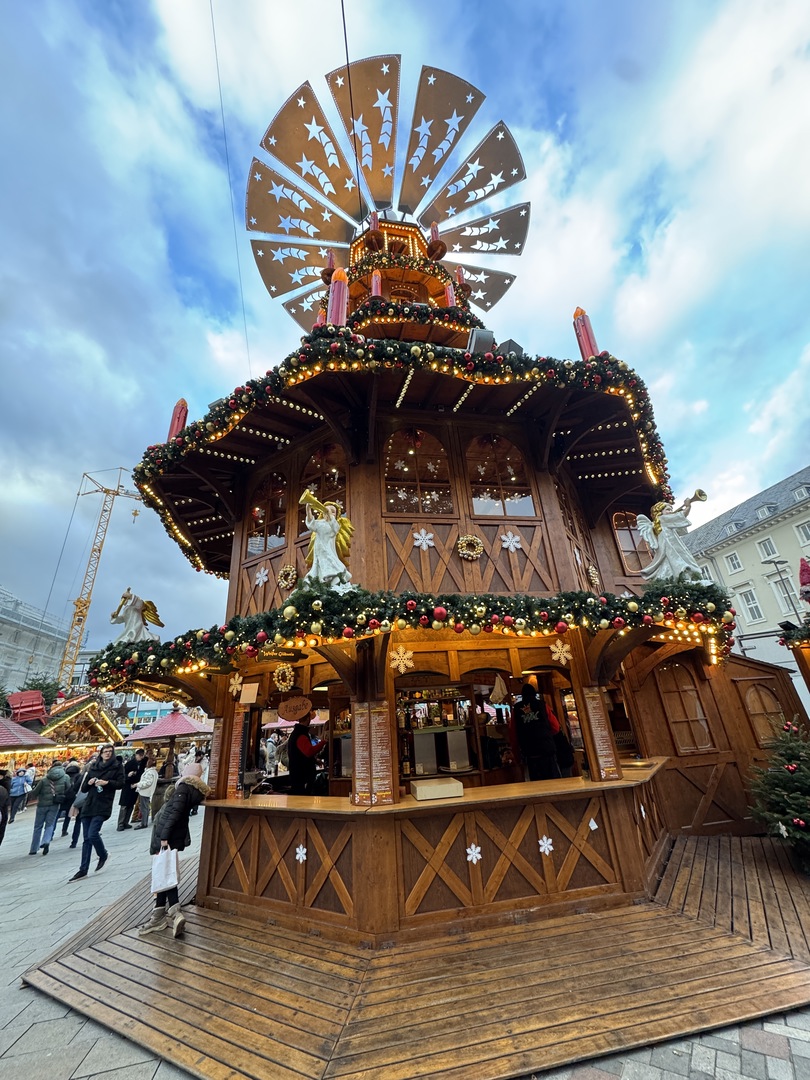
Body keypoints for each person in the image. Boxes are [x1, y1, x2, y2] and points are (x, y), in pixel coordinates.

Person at [138, 774, 211, 938]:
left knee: (163, 875)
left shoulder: (182, 790)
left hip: (165, 838)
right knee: (165, 875)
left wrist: (164, 837)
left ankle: (172, 915)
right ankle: (163, 915)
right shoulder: (190, 793)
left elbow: (173, 814)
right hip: (172, 837)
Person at [69, 744, 124, 881]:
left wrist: (107, 783)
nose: (107, 754)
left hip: (103, 804)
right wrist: (91, 782)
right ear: (101, 753)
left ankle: (103, 855)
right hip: (89, 804)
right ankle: (83, 870)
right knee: (86, 839)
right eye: (105, 752)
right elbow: (85, 788)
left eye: (110, 752)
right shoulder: (94, 766)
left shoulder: (117, 766)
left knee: (93, 834)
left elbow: (121, 783)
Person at [636, 498, 702, 581]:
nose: (671, 512)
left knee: (673, 562)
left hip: (674, 546)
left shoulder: (666, 523)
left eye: (671, 510)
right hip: (669, 547)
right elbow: (681, 515)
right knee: (676, 562)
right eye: (668, 510)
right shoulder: (661, 520)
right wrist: (688, 506)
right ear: (659, 512)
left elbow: (680, 529)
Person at [515, 684, 561, 782]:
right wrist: (546, 734)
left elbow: (513, 734)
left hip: (531, 754)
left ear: (522, 695)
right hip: (547, 751)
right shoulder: (542, 705)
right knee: (555, 784)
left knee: (537, 786)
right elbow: (556, 727)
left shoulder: (516, 709)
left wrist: (517, 755)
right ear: (535, 693)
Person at [303, 501, 353, 589]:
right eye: (326, 510)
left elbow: (335, 528)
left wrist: (329, 515)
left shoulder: (334, 525)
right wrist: (308, 509)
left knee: (332, 565)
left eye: (332, 511)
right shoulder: (320, 523)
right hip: (319, 551)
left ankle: (334, 581)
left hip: (328, 550)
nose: (328, 512)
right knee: (318, 567)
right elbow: (311, 523)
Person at [28, 759, 71, 855]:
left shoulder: (44, 779)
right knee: (50, 824)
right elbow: (69, 789)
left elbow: (35, 793)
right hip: (55, 804)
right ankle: (46, 840)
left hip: (42, 804)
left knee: (38, 826)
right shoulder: (65, 777)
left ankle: (33, 849)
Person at [287, 709, 326, 795]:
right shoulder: (300, 734)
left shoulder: (296, 733)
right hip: (302, 777)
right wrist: (323, 742)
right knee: (303, 801)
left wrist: (315, 760)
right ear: (308, 719)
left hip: (297, 775)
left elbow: (302, 754)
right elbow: (309, 751)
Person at [117, 748, 146, 830]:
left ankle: (126, 822)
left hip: (135, 786)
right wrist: (128, 775)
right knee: (124, 806)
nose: (141, 757)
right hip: (127, 786)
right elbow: (122, 775)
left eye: (142, 756)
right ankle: (120, 824)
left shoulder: (142, 763)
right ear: (136, 755)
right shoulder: (129, 764)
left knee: (131, 805)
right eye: (140, 755)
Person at [134, 756, 159, 829]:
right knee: (145, 807)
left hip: (145, 791)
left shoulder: (150, 772)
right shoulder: (153, 772)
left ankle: (143, 823)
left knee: (144, 808)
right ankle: (144, 822)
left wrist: (138, 784)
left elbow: (148, 782)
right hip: (147, 791)